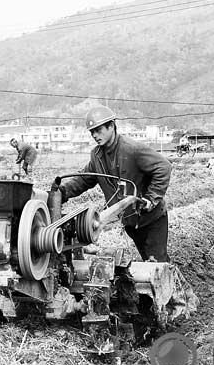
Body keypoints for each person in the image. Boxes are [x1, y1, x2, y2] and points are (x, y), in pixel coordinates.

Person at [57, 105, 172, 262]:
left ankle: (176, 286)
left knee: (157, 264)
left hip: (152, 220)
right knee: (148, 262)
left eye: (98, 130)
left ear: (111, 126)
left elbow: (163, 167)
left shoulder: (132, 150)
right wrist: (62, 192)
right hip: (131, 222)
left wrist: (151, 198)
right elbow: (85, 179)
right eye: (92, 132)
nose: (95, 136)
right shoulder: (97, 156)